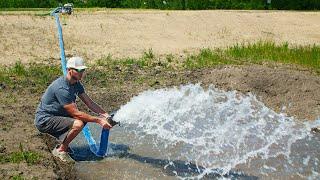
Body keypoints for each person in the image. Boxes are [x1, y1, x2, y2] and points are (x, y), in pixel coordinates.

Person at [35, 57, 113, 162]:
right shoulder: (62, 88)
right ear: (69, 70)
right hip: (45, 120)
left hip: (57, 115)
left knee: (84, 119)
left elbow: (89, 103)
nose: (81, 73)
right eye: (78, 70)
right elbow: (75, 113)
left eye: (83, 70)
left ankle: (65, 144)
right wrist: (99, 120)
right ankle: (61, 150)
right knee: (78, 123)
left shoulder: (76, 83)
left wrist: (105, 115)